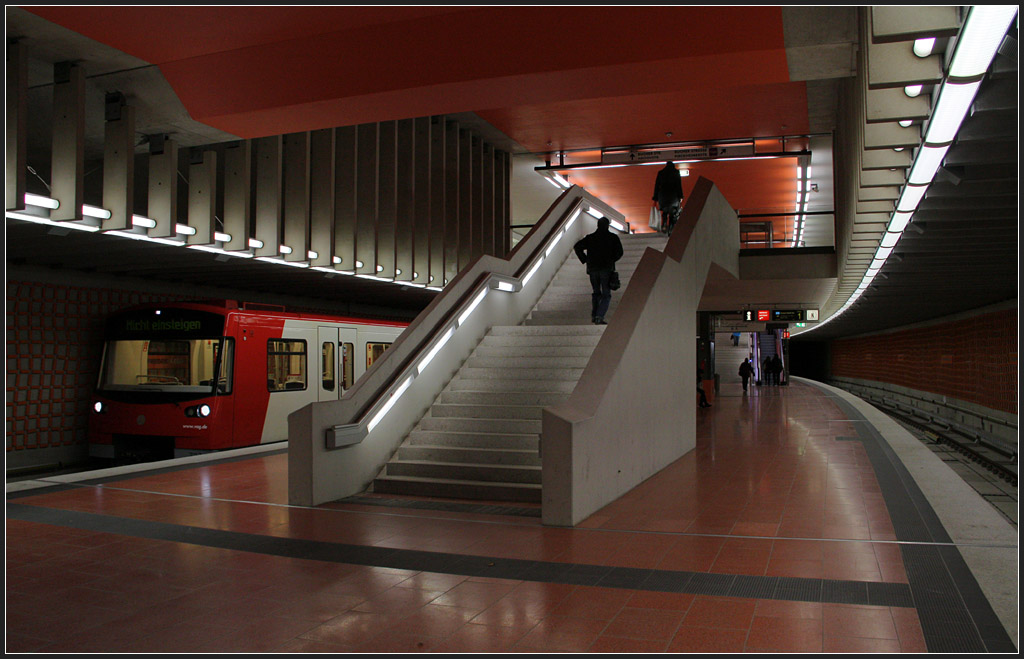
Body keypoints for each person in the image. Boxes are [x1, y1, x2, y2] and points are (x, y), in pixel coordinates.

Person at [573, 216, 623, 325]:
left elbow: (577, 247)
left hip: (593, 269)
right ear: (608, 226)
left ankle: (594, 315)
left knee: (596, 292)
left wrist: (585, 259)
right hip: (606, 269)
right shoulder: (612, 238)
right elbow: (620, 252)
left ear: (597, 225)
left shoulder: (591, 238)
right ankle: (599, 316)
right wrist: (611, 260)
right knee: (606, 294)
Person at [652, 161, 684, 235]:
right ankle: (670, 229)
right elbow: (679, 185)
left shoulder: (661, 173)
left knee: (665, 211)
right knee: (672, 213)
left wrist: (655, 198)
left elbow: (657, 186)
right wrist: (680, 196)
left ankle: (664, 224)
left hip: (663, 196)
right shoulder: (676, 172)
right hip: (673, 196)